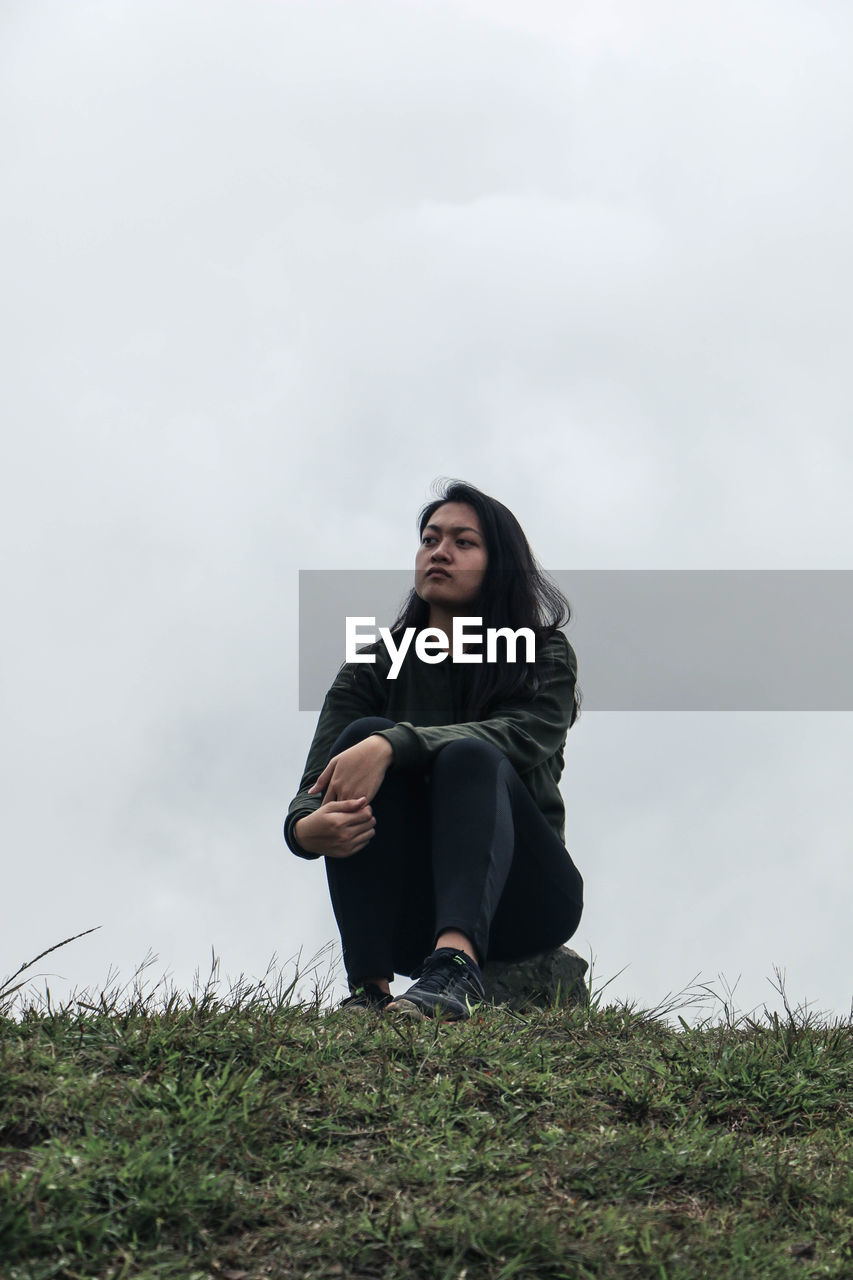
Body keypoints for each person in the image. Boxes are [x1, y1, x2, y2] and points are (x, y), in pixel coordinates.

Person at [283, 479, 584, 1021]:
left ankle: (456, 970)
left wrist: (394, 744)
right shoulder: (373, 665)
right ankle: (370, 992)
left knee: (467, 754)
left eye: (463, 542)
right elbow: (313, 786)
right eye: (429, 539)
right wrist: (305, 830)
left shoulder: (543, 652)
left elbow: (522, 734)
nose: (439, 552)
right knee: (360, 737)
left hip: (523, 900)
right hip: (405, 910)